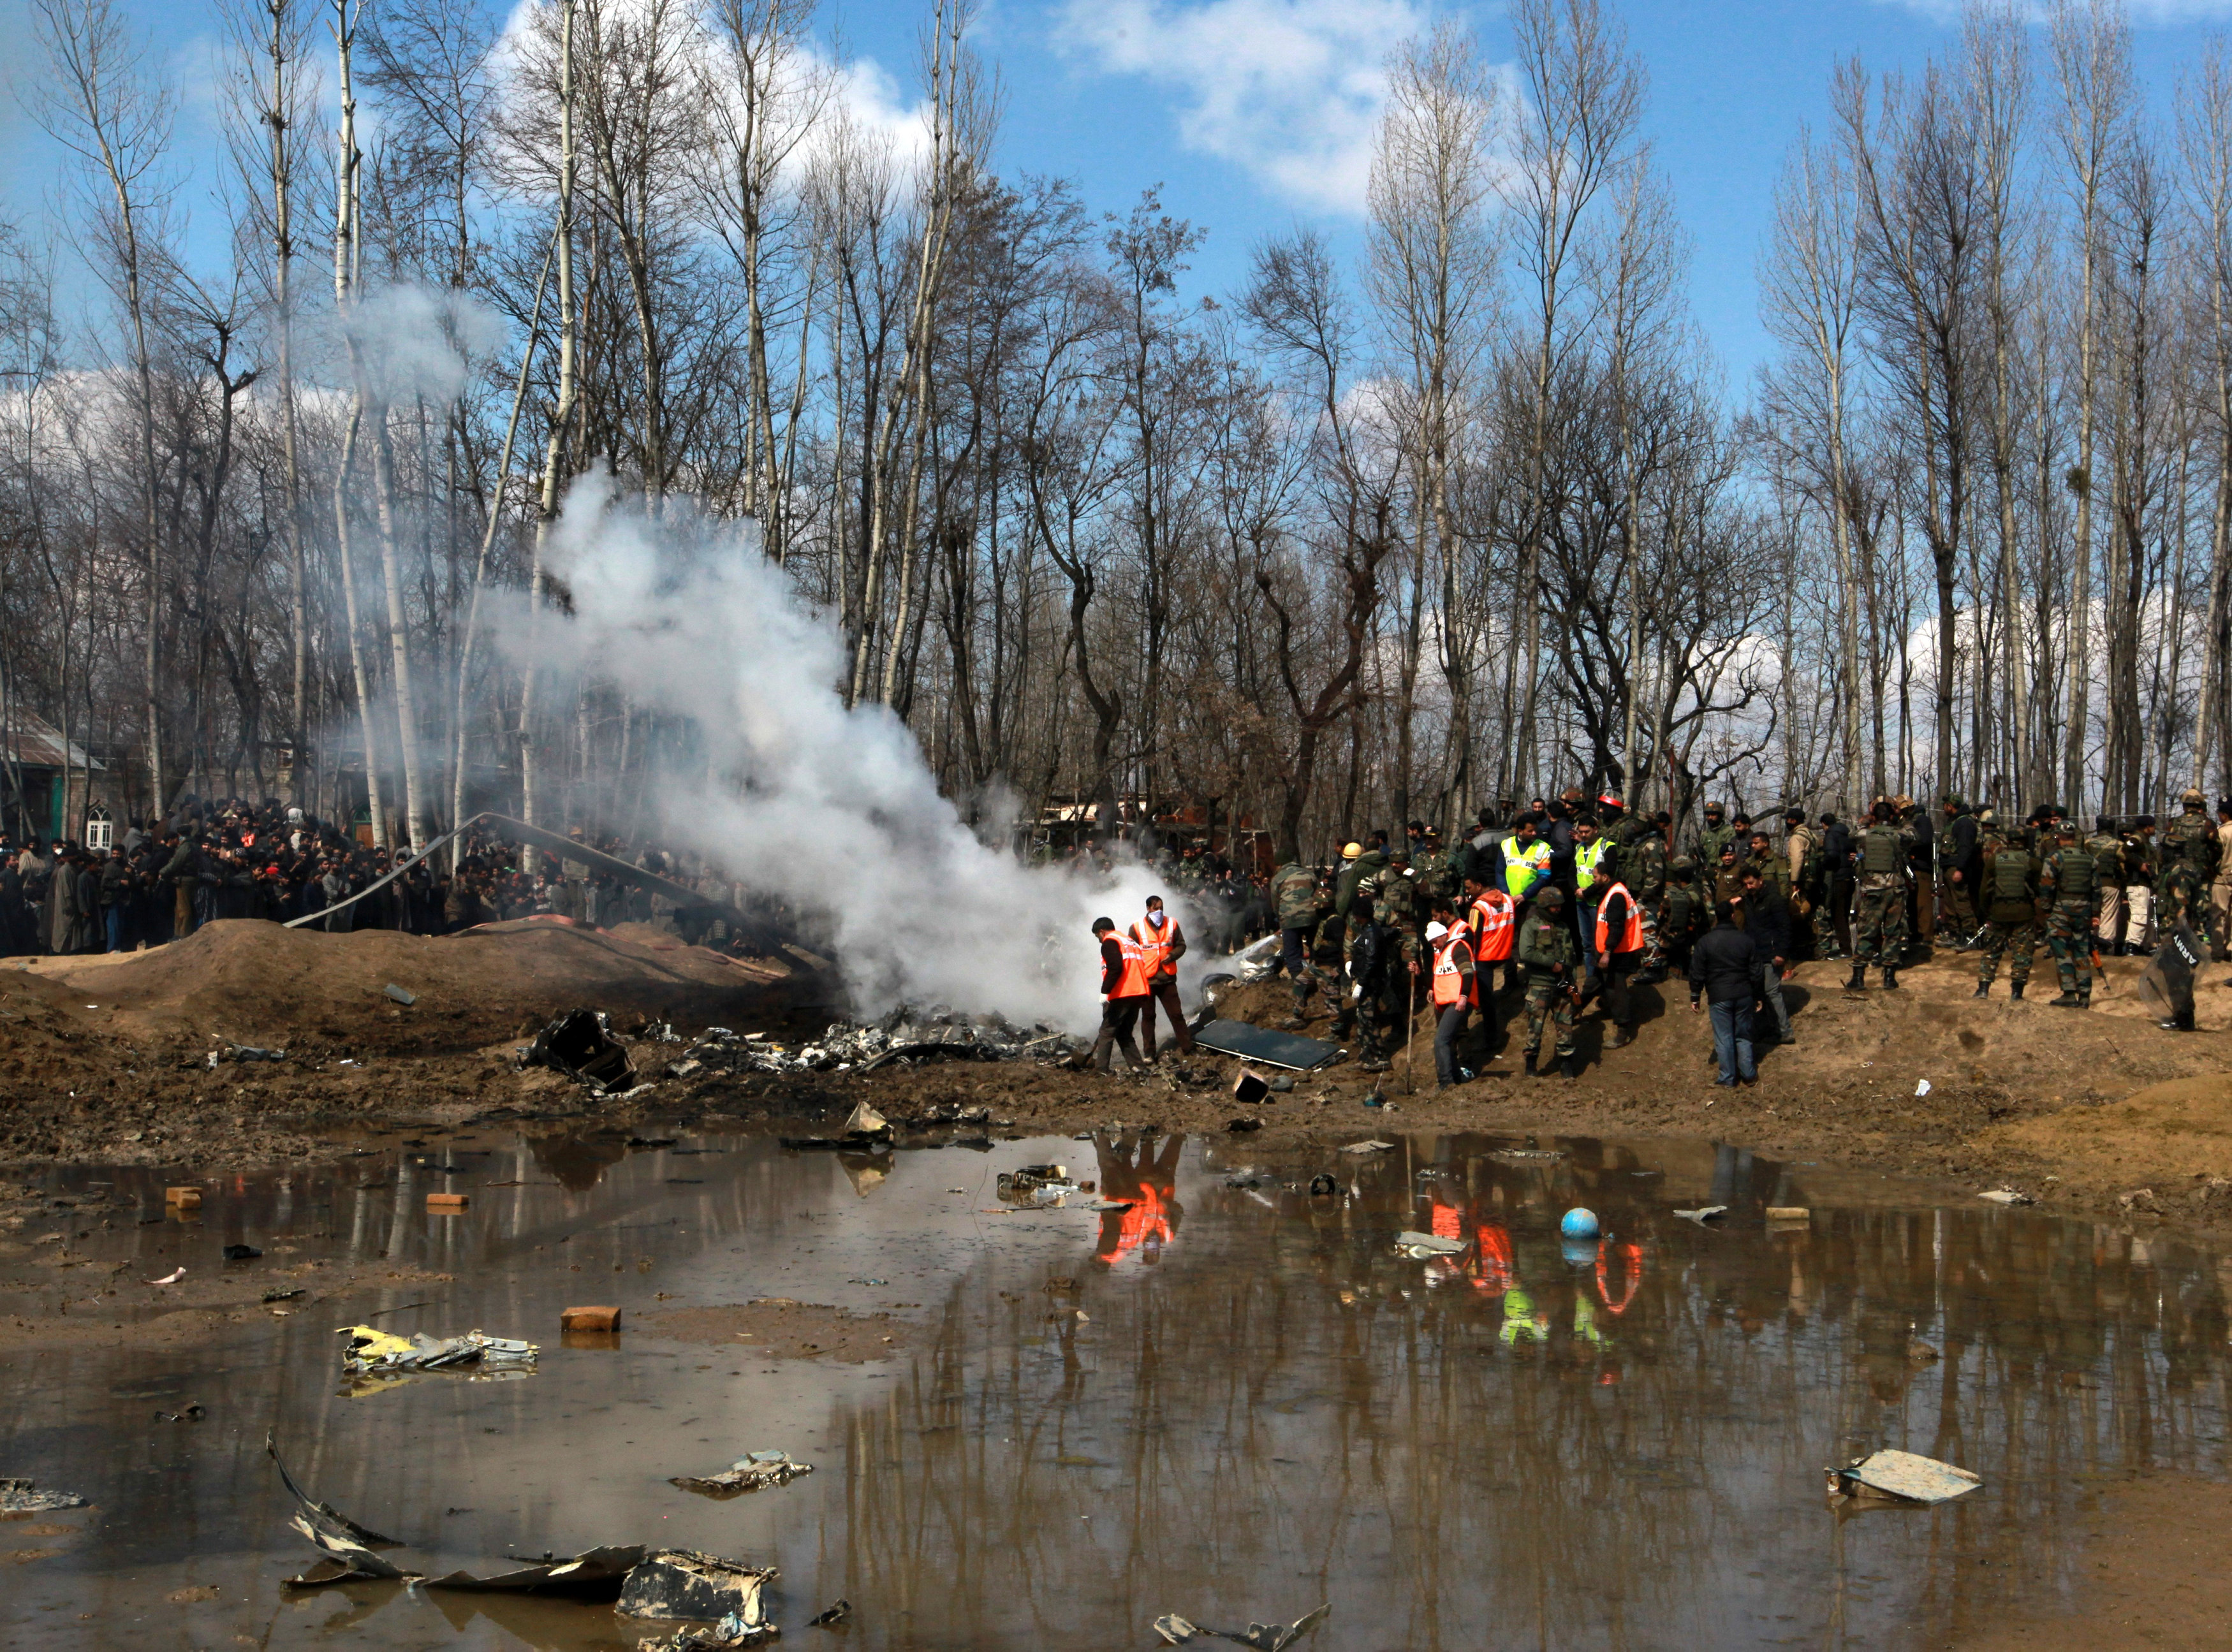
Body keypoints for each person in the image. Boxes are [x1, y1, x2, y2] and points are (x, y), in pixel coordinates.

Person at [1689, 900, 1766, 1087]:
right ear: (1733, 916)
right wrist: (1758, 995)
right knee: (1744, 1035)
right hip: (1744, 993)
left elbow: (1697, 971)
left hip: (1719, 995)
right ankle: (1749, 1075)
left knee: (1724, 1037)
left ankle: (1728, 1078)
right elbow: (1757, 971)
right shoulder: (1746, 940)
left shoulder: (1705, 942)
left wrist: (1695, 996)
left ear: (1716, 917)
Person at [1516, 884, 1580, 1079]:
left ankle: (1566, 1066)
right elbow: (1526, 952)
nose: (1558, 909)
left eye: (1560, 906)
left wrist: (1573, 983)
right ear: (1545, 906)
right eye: (1555, 906)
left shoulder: (1563, 927)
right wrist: (1551, 964)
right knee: (1535, 1027)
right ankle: (1531, 1066)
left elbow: (1571, 956)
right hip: (1539, 984)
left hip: (1562, 985)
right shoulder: (1531, 925)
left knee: (1566, 1027)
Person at [1972, 824, 2039, 1000]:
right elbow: (2040, 889)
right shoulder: (2032, 861)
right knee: (2022, 954)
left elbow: (1984, 890)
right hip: (2024, 913)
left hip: (1998, 912)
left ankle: (1983, 989)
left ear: (2008, 841)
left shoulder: (1995, 859)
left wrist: (1986, 912)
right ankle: (2017, 993)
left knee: (1991, 952)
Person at [1849, 799, 1909, 992]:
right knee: (1893, 932)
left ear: (1874, 817)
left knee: (1867, 931)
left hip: (1872, 890)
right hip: (1895, 890)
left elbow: (1852, 833)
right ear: (1892, 816)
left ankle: (1858, 978)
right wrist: (1901, 817)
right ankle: (1889, 978)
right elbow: (1914, 834)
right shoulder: (1899, 835)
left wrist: (1867, 818)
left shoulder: (1864, 834)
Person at [2039, 821, 2101, 1009]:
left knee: (2062, 950)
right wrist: (2095, 913)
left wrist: (2046, 909)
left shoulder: (2054, 858)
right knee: (2082, 951)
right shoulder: (2089, 859)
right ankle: (2084, 995)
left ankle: (2068, 993)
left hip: (2061, 909)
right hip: (2083, 910)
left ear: (2057, 837)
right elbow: (2096, 889)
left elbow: (2046, 885)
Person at [1589, 863, 1647, 1050]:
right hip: (1609, 951)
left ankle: (1623, 1031)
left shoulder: (1616, 896)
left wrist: (1607, 953)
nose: (1593, 880)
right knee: (1594, 982)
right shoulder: (1613, 891)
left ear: (1605, 877)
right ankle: (1573, 1010)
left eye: (1595, 876)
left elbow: (1617, 927)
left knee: (1616, 991)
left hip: (1617, 953)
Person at [1130, 896, 1194, 1058]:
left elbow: (1182, 945)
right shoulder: (1137, 927)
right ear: (1148, 909)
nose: (1159, 911)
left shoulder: (1172, 923)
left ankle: (1188, 1049)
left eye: (1161, 908)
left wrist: (1172, 955)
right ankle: (1149, 1054)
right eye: (1155, 908)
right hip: (1147, 980)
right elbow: (1131, 953)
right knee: (1148, 1017)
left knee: (1177, 1015)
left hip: (1167, 978)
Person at [1738, 863, 1795, 1046]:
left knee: (1772, 992)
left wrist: (1781, 953)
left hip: (1771, 954)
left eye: (1752, 883)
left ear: (1761, 880)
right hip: (1755, 954)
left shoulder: (1774, 900)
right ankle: (1768, 1030)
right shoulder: (1748, 900)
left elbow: (1784, 928)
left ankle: (1785, 1032)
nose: (1749, 887)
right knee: (1759, 994)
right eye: (1746, 884)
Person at [1086, 916, 1150, 1072]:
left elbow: (1116, 967)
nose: (1099, 941)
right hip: (1139, 993)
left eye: (1098, 937)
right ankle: (1139, 1068)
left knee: (1106, 1032)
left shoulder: (1110, 942)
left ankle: (1101, 1069)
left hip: (1122, 993)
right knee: (1124, 1033)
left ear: (1101, 932)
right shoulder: (1130, 941)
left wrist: (1105, 991)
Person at [1425, 907, 1477, 1090]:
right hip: (1447, 1003)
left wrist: (1463, 997)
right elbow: (1443, 975)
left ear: (1442, 936)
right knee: (1449, 1039)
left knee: (1441, 1040)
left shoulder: (1458, 947)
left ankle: (1445, 1082)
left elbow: (1468, 972)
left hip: (1458, 1002)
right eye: (1430, 943)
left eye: (1435, 941)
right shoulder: (1443, 952)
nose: (1434, 945)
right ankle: (1455, 1079)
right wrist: (1433, 989)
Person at [1270, 855, 1321, 1027]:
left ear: (1280, 864)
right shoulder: (1310, 874)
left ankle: (1299, 988)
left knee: (1293, 955)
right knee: (1316, 950)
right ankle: (1317, 979)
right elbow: (1319, 894)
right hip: (1313, 916)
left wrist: (1280, 919)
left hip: (1290, 918)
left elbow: (1275, 902)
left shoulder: (1278, 877)